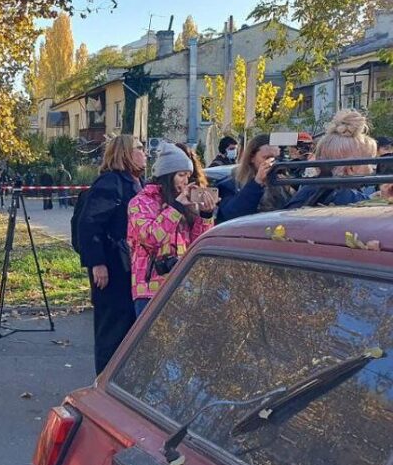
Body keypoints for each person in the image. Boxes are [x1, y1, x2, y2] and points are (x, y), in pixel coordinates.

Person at [76, 135, 146, 375]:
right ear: (125, 154)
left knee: (128, 328)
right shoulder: (109, 183)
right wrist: (97, 263)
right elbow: (89, 224)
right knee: (112, 331)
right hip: (113, 268)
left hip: (131, 269)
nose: (144, 152)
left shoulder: (137, 182)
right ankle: (105, 383)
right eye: (138, 148)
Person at [128, 143, 217, 316]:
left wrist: (205, 216)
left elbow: (197, 243)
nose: (185, 181)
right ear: (167, 176)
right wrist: (176, 207)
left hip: (181, 285)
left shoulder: (182, 203)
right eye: (181, 175)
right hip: (149, 289)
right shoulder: (140, 202)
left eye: (188, 176)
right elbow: (151, 238)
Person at [287, 110, 376, 209]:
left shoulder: (307, 190)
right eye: (369, 162)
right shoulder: (355, 201)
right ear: (351, 168)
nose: (371, 169)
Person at [215, 134, 292, 223]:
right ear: (251, 158)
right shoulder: (231, 184)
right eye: (267, 158)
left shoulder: (280, 182)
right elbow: (233, 214)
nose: (273, 162)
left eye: (276, 158)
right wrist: (257, 182)